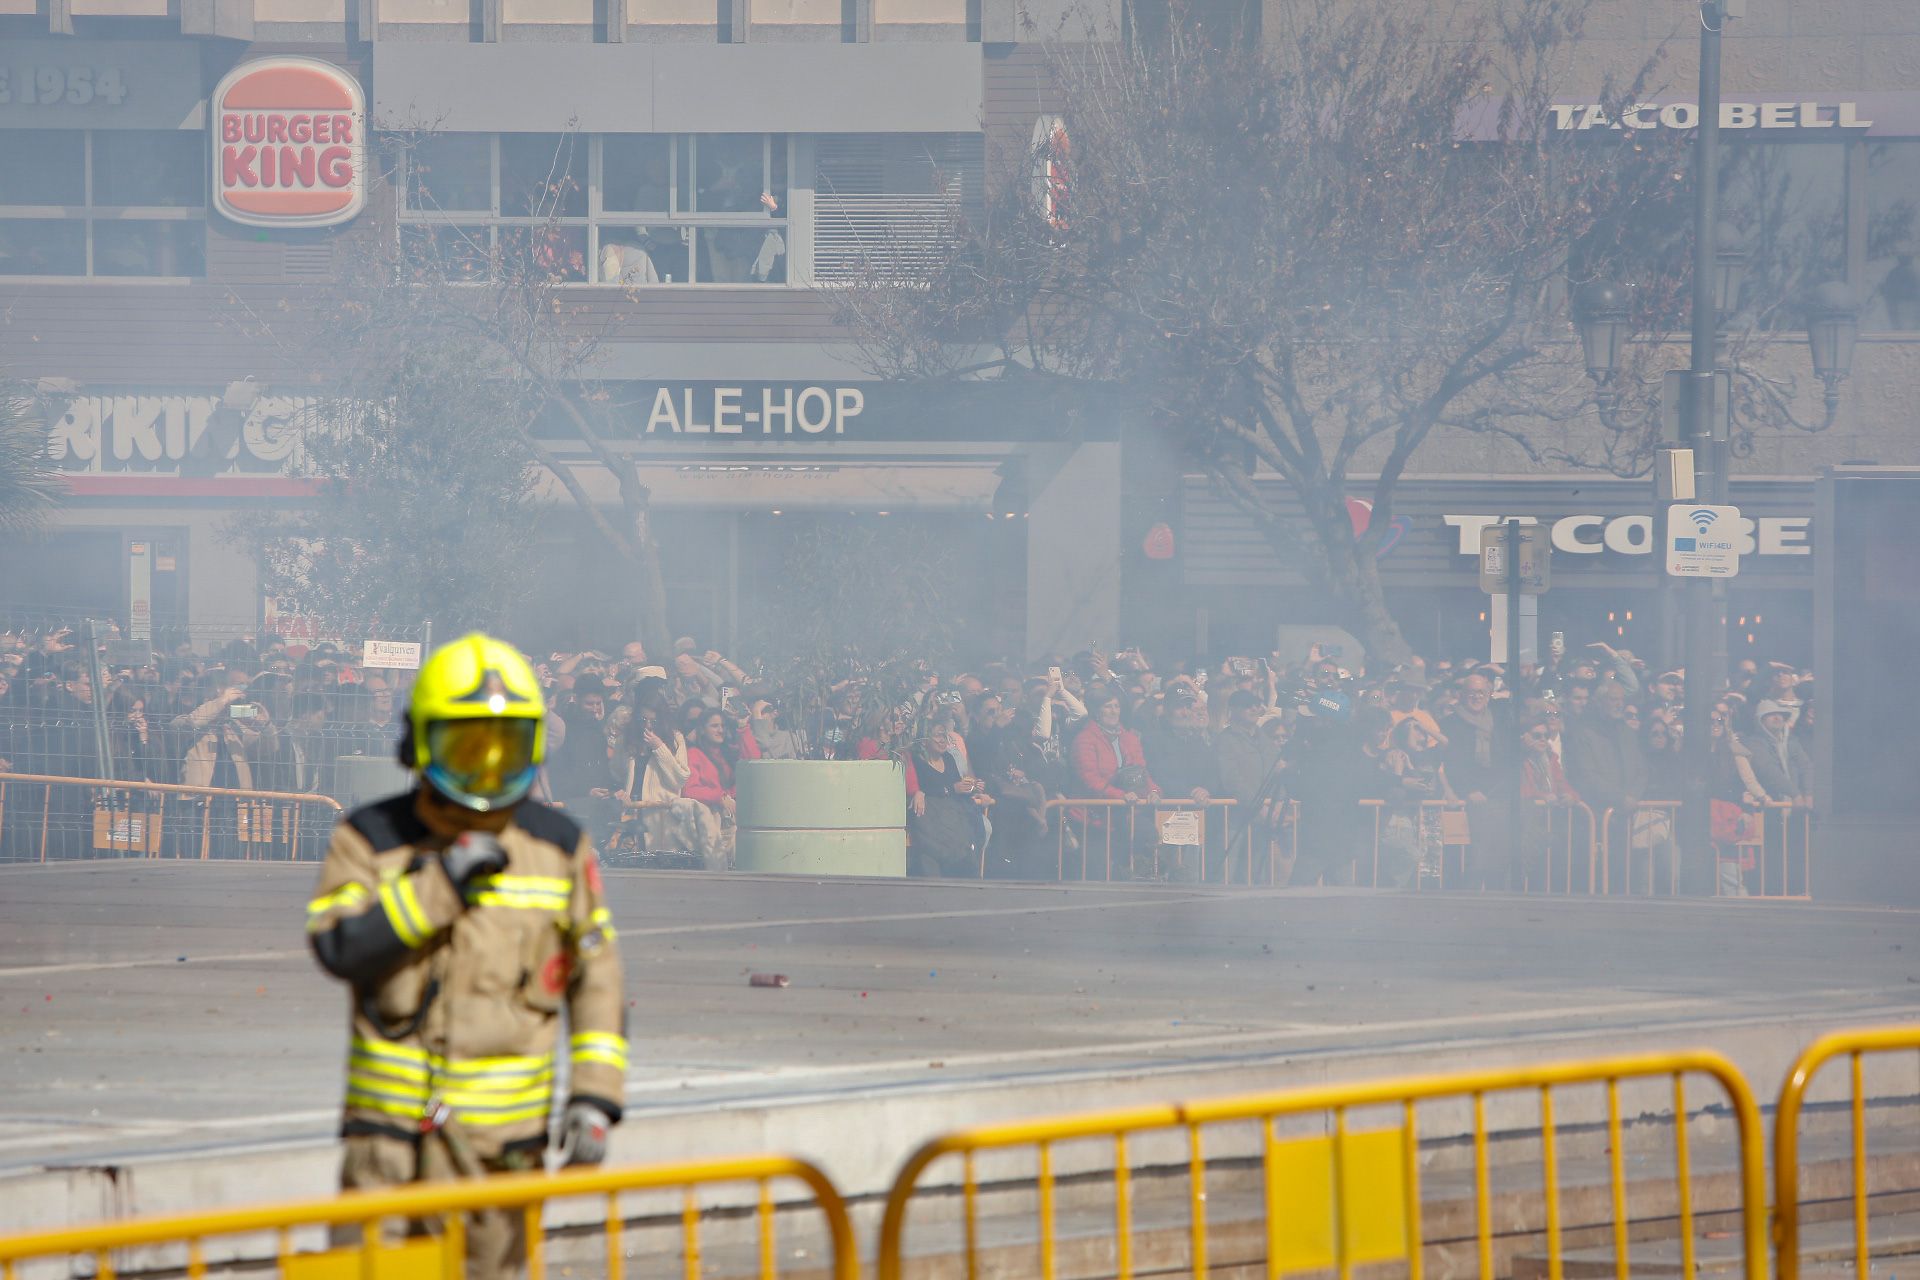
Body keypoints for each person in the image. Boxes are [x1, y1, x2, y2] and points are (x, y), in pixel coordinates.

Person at [304, 634, 624, 1280]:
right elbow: (338, 945)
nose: (487, 768)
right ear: (422, 745)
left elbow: (597, 975)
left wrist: (596, 1097)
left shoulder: (558, 847)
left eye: (505, 747)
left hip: (501, 1162)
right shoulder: (369, 839)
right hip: (386, 1158)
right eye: (468, 746)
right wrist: (440, 886)